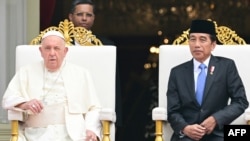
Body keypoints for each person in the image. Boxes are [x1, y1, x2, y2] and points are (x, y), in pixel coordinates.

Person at [2, 30, 102, 141]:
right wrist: (25, 104)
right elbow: (7, 99)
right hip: (35, 134)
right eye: (47, 48)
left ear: (65, 51)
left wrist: (91, 129)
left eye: (57, 48)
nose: (52, 53)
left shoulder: (81, 73)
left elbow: (94, 107)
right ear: (41, 51)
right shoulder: (25, 72)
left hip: (74, 134)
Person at [167, 19, 249, 141]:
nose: (197, 45)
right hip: (187, 136)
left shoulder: (226, 67)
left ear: (213, 45)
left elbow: (240, 101)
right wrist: (185, 128)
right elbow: (172, 111)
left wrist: (216, 119)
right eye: (193, 39)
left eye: (202, 39)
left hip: (218, 134)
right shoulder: (177, 73)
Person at [68, 0, 123, 132]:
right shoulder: (60, 43)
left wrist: (118, 117)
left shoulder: (106, 46)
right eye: (80, 14)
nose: (84, 18)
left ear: (94, 18)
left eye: (89, 15)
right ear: (71, 17)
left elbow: (114, 82)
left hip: (98, 102)